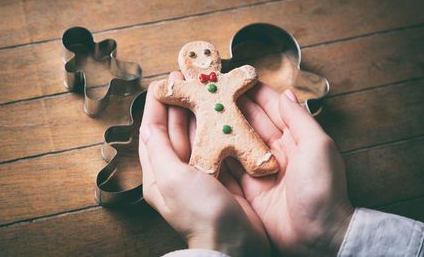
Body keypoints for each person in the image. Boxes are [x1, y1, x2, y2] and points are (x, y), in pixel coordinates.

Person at [139, 72, 424, 257]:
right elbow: (169, 89)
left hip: (242, 134)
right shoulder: (191, 89)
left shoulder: (227, 81)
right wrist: (331, 232)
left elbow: (246, 73)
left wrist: (218, 241)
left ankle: (258, 159)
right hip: (209, 138)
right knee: (207, 157)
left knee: (253, 150)